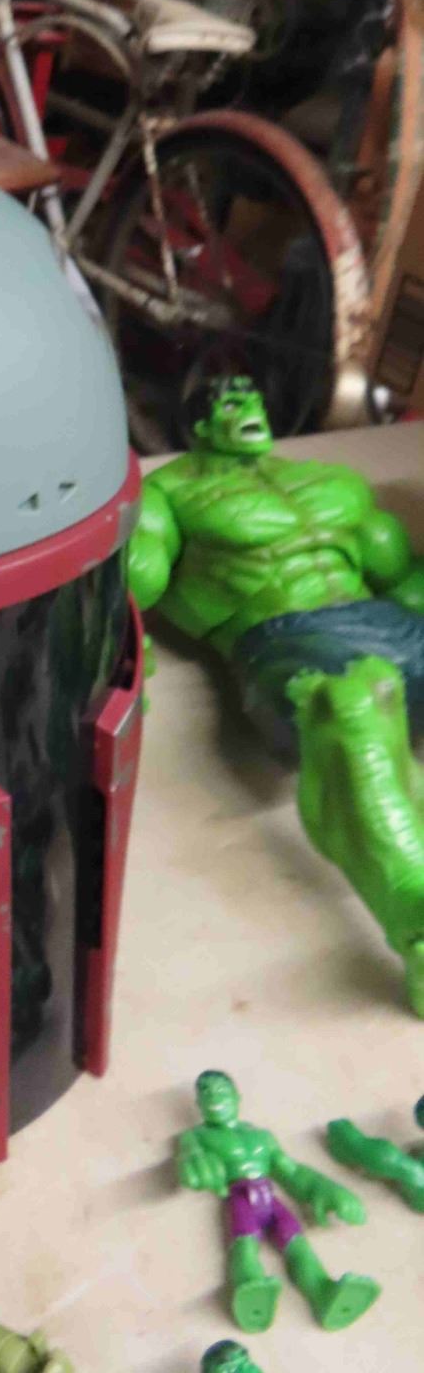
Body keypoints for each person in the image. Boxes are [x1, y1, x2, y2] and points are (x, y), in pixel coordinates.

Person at [128, 375, 424, 1013]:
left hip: (389, 621)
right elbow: (136, 578)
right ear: (199, 425)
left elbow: (399, 572)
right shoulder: (171, 493)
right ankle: (414, 914)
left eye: (254, 396)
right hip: (287, 635)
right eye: (231, 401)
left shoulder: (330, 480)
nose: (251, 407)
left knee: (376, 690)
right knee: (350, 706)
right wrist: (119, 649)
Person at [175, 1071, 378, 1333]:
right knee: (245, 1247)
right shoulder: (196, 1136)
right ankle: (249, 1288)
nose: (214, 1097)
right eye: (206, 1092)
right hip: (240, 1198)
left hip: (270, 1199)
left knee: (298, 1246)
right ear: (198, 1104)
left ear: (237, 1097)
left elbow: (290, 1171)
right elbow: (189, 1157)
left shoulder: (261, 1136)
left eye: (221, 1090)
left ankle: (322, 1292)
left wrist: (325, 1188)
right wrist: (193, 1165)